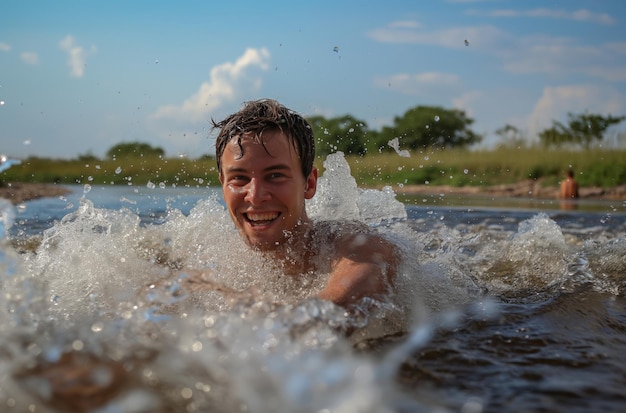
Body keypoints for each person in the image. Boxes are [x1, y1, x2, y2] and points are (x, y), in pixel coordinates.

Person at [210, 99, 399, 308]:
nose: (255, 196)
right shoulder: (215, 256)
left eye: (275, 175)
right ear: (223, 184)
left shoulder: (347, 244)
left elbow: (367, 273)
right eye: (239, 178)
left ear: (309, 184)